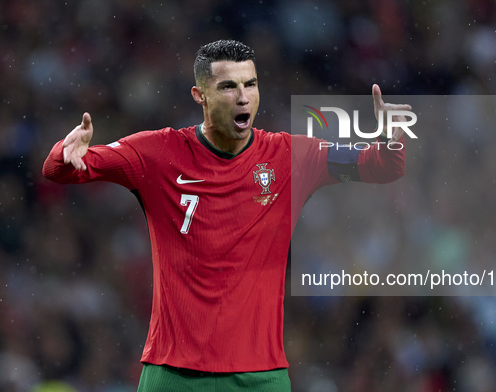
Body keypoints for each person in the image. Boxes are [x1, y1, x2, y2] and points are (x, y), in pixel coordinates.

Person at [42, 39, 411, 391]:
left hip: (260, 377)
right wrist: (65, 149)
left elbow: (382, 166)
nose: (243, 97)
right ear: (200, 96)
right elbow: (62, 170)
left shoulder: (291, 157)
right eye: (228, 86)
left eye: (251, 84)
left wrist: (392, 137)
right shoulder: (157, 152)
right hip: (173, 374)